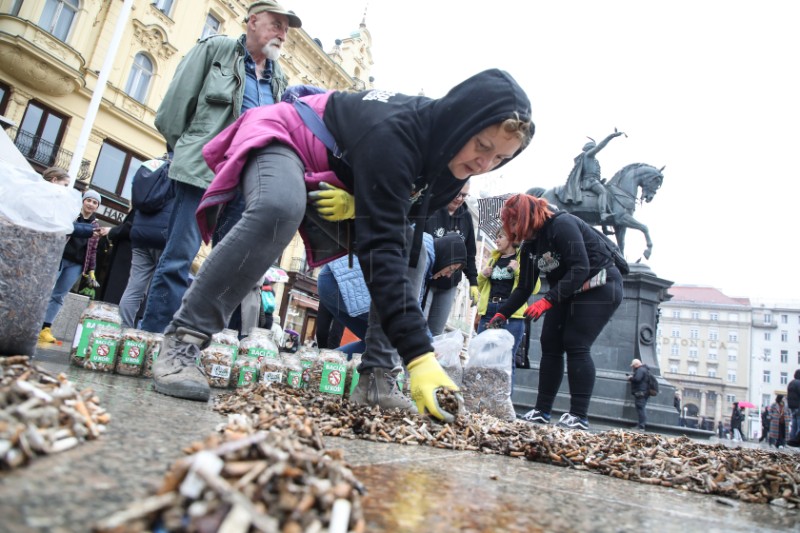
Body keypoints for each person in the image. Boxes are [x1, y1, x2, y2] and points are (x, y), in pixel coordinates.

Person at [149, 69, 533, 423]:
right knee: (279, 207)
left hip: (344, 180)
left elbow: (402, 233)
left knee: (416, 252)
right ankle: (184, 339)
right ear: (460, 122)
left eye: (500, 157)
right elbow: (378, 251)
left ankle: (378, 376)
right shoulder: (396, 133)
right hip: (294, 138)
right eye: (482, 145)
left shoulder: (454, 167)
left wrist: (359, 205)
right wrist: (420, 356)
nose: (484, 163)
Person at [139, 0, 302, 334]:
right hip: (201, 172)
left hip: (245, 184)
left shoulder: (279, 79)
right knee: (178, 259)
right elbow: (173, 111)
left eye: (286, 30)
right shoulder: (216, 50)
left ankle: (204, 346)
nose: (282, 35)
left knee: (228, 271)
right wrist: (186, 152)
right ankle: (153, 337)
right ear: (253, 21)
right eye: (276, 25)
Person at [490, 194, 623, 430]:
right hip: (568, 289)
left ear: (524, 218)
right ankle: (542, 411)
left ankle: (578, 415)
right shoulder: (531, 245)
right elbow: (524, 287)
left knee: (575, 342)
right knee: (550, 342)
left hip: (599, 284)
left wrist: (547, 301)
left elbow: (580, 267)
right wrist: (501, 314)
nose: (510, 229)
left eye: (513, 223)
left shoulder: (562, 225)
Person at [39, 189, 108, 343]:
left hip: (76, 265)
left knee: (59, 296)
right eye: (88, 200)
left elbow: (92, 250)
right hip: (59, 258)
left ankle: (45, 328)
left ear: (97, 207)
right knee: (44, 291)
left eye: (95, 202)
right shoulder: (72, 216)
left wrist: (91, 269)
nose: (91, 204)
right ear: (83, 201)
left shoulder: (96, 226)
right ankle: (34, 324)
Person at [117, 155, 174, 328]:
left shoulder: (150, 166)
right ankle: (150, 334)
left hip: (140, 233)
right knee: (162, 286)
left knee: (134, 287)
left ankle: (123, 329)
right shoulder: (180, 167)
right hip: (164, 235)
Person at [423, 182, 479, 336]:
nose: (460, 199)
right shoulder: (432, 209)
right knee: (419, 326)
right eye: (458, 194)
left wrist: (473, 282)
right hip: (427, 279)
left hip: (450, 283)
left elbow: (469, 253)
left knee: (436, 333)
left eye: (464, 195)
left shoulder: (466, 217)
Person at [477, 228, 531, 364]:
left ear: (512, 239)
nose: (496, 240)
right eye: (496, 237)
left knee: (506, 360)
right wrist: (483, 275)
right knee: (482, 357)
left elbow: (533, 288)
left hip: (511, 314)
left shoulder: (523, 259)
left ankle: (504, 386)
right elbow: (480, 287)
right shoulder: (493, 260)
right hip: (489, 311)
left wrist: (517, 270)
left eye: (500, 236)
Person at [560, 130, 624, 221]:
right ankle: (603, 214)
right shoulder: (588, 155)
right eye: (594, 148)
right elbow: (601, 146)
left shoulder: (593, 160)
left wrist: (600, 180)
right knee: (603, 192)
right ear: (590, 148)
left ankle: (604, 227)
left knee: (608, 192)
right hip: (589, 181)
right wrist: (612, 136)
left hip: (594, 180)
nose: (595, 150)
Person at [628, 358, 649, 430]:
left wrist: (631, 378)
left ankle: (641, 425)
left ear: (637, 365)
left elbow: (637, 379)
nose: (633, 368)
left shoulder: (640, 370)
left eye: (633, 366)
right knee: (641, 408)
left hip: (640, 392)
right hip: (643, 392)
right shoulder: (644, 369)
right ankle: (641, 424)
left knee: (640, 409)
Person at [787, 369, 800, 445]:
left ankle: (792, 439)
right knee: (799, 424)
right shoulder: (799, 383)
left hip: (792, 406)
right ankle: (797, 440)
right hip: (798, 406)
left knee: (794, 423)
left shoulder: (791, 383)